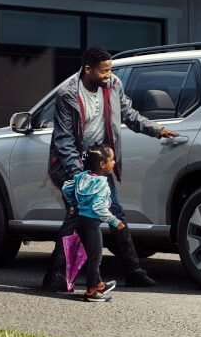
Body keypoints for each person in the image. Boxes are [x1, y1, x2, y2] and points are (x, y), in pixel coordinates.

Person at [42, 46, 177, 292]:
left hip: (98, 163)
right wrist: (80, 177)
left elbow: (129, 114)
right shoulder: (68, 94)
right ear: (88, 70)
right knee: (76, 217)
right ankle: (55, 275)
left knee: (115, 213)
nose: (108, 75)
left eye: (110, 70)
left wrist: (156, 129)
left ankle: (133, 271)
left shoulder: (113, 84)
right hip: (72, 167)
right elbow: (64, 141)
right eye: (103, 71)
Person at [64, 146, 124, 302]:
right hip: (92, 225)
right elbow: (99, 207)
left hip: (80, 222)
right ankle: (91, 292)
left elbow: (66, 188)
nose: (114, 162)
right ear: (102, 164)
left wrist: (73, 203)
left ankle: (99, 284)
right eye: (111, 160)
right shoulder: (102, 184)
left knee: (91, 256)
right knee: (95, 259)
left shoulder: (82, 177)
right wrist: (114, 221)